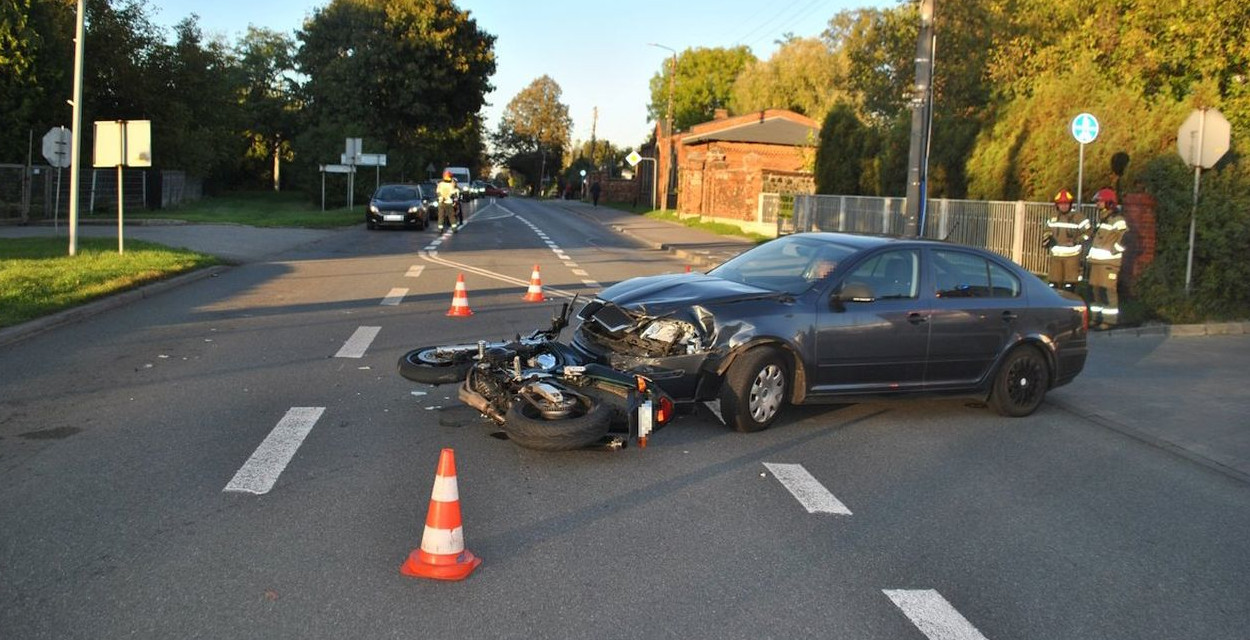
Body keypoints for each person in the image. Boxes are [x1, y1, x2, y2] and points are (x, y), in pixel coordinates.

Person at [1086, 187, 1129, 329]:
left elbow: (1125, 239)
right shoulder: (1103, 219)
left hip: (1109, 263)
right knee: (1096, 292)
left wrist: (1113, 250)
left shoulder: (1118, 220)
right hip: (1097, 262)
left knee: (1108, 292)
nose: (1097, 204)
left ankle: (1109, 321)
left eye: (1100, 201)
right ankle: (1096, 318)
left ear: (1109, 203)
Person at [1042, 188, 1090, 290]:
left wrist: (1077, 241)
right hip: (1056, 256)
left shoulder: (1078, 217)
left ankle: (1070, 304)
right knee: (1053, 285)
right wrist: (1047, 238)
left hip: (1072, 256)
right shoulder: (1053, 216)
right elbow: (1047, 230)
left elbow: (1088, 232)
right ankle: (1055, 305)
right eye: (1061, 204)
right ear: (1057, 205)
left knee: (1069, 285)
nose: (1064, 206)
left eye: (1066, 203)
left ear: (1070, 204)